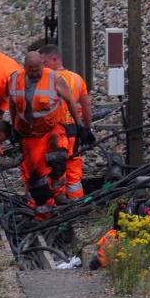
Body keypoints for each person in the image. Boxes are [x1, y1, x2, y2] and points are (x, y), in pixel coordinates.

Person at [7, 51, 85, 212]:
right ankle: (43, 205)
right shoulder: (15, 79)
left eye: (38, 69)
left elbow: (70, 101)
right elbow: (13, 104)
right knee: (35, 174)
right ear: (25, 67)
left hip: (51, 129)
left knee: (58, 158)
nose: (35, 73)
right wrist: (14, 127)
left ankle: (59, 193)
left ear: (43, 65)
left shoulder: (54, 78)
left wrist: (80, 125)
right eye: (31, 70)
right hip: (29, 134)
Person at [38, 43, 93, 200]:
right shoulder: (77, 79)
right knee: (73, 168)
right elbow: (86, 105)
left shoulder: (47, 80)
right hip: (74, 131)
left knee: (56, 169)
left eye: (44, 63)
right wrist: (87, 129)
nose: (42, 66)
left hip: (56, 133)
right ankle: (76, 204)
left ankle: (59, 206)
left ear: (54, 59)